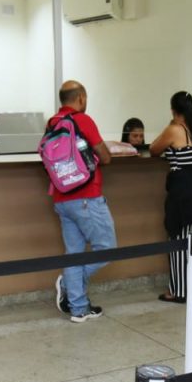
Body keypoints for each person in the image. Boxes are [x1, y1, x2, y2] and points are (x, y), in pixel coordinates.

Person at [49, 80, 115, 323]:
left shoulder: (52, 123)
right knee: (107, 248)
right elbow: (105, 157)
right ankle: (69, 284)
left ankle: (79, 309)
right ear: (81, 98)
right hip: (86, 197)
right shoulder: (82, 120)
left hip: (61, 198)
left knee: (74, 254)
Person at [149, 91, 192, 302]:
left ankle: (179, 291)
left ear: (173, 110)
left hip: (182, 193)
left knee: (179, 240)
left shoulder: (174, 129)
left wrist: (171, 124)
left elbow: (153, 149)